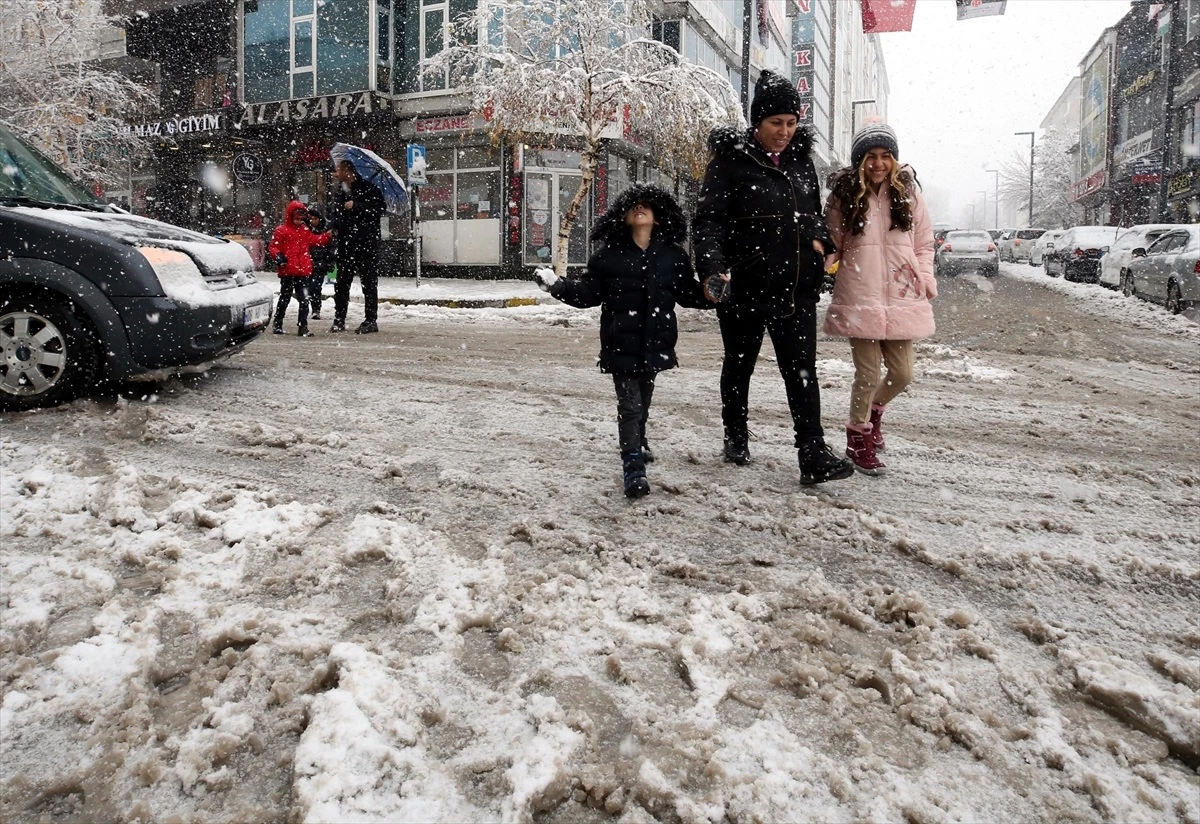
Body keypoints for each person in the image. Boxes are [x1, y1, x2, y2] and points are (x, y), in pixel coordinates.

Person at [692, 69, 854, 486]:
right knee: (739, 365)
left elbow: (812, 216)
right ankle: (736, 433)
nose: (784, 131)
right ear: (756, 123)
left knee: (801, 370)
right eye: (775, 123)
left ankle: (812, 450)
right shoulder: (729, 163)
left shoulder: (802, 164)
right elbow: (708, 221)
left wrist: (819, 241)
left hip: (795, 286)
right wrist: (712, 267)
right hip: (745, 284)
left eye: (791, 123)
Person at [532, 185, 713, 499]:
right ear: (624, 216)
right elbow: (588, 293)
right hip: (621, 344)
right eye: (633, 206)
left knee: (643, 400)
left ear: (658, 216)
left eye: (647, 205)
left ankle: (639, 441)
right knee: (629, 406)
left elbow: (689, 294)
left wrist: (716, 294)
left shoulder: (672, 256)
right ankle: (632, 466)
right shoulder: (608, 257)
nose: (640, 209)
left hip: (657, 343)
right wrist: (558, 286)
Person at [823, 121, 936, 475]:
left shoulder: (909, 194)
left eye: (886, 156)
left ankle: (873, 414)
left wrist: (926, 278)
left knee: (902, 374)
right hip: (861, 293)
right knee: (867, 373)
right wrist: (821, 263)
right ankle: (858, 440)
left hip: (902, 294)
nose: (878, 163)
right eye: (871, 156)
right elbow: (833, 244)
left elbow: (924, 244)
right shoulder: (844, 195)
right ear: (859, 160)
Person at [329, 159, 386, 334]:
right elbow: (336, 214)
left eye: (338, 169)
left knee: (369, 283)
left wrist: (357, 206)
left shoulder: (369, 188)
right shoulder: (341, 192)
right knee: (342, 283)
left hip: (366, 243)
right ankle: (339, 318)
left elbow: (380, 209)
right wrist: (335, 227)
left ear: (348, 170)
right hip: (346, 244)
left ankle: (371, 320)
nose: (336, 173)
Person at [267, 200, 332, 337]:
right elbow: (273, 247)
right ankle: (280, 323)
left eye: (300, 219)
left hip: (301, 271)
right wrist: (278, 256)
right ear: (290, 216)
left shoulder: (304, 230)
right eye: (296, 218)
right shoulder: (282, 231)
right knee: (286, 298)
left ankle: (302, 326)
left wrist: (326, 237)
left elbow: (315, 240)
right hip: (289, 271)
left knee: (303, 300)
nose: (298, 221)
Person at [305, 206, 334, 321]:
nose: (313, 221)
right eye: (311, 218)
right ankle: (311, 308)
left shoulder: (325, 230)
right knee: (308, 287)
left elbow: (331, 247)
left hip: (319, 264)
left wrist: (329, 261)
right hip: (308, 263)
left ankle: (316, 309)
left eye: (315, 218)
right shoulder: (306, 229)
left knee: (315, 287)